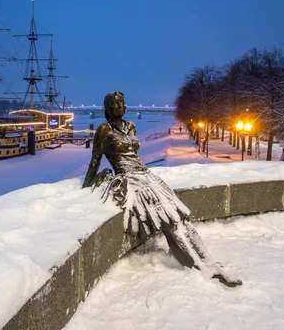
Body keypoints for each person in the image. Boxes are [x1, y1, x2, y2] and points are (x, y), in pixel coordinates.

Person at [83, 91, 242, 287]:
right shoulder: (104, 130)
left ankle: (208, 261)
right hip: (132, 182)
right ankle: (197, 264)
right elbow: (95, 160)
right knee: (171, 221)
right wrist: (90, 182)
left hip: (149, 178)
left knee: (180, 218)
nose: (120, 106)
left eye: (122, 102)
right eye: (115, 103)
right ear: (107, 108)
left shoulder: (131, 126)